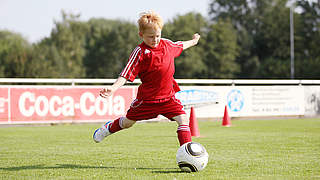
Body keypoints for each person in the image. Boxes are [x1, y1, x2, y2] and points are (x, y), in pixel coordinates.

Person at [93, 10, 200, 146]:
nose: (155, 40)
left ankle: (187, 153)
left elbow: (181, 45)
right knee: (127, 123)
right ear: (141, 35)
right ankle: (108, 128)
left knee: (184, 120)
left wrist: (194, 41)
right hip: (147, 100)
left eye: (157, 36)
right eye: (150, 37)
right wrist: (113, 88)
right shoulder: (140, 52)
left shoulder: (167, 45)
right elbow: (126, 73)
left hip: (168, 98)